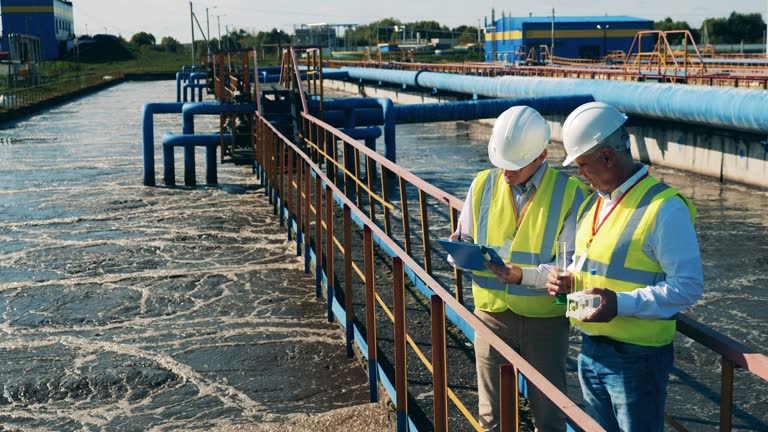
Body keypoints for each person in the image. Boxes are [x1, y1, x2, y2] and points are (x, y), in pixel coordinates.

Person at [547, 101, 704, 432]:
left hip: (637, 359)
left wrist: (620, 303)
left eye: (583, 164)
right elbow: (595, 267)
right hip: (591, 348)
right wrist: (569, 282)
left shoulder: (664, 208)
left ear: (607, 157)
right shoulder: (596, 202)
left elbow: (688, 285)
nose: (580, 173)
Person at [450, 105, 586, 432]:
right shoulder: (482, 184)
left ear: (542, 155)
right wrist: (457, 248)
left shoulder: (570, 193)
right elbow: (465, 238)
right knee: (490, 416)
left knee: (549, 413)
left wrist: (521, 274)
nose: (506, 172)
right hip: (491, 314)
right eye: (501, 163)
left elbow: (568, 267)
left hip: (545, 320)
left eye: (515, 165)